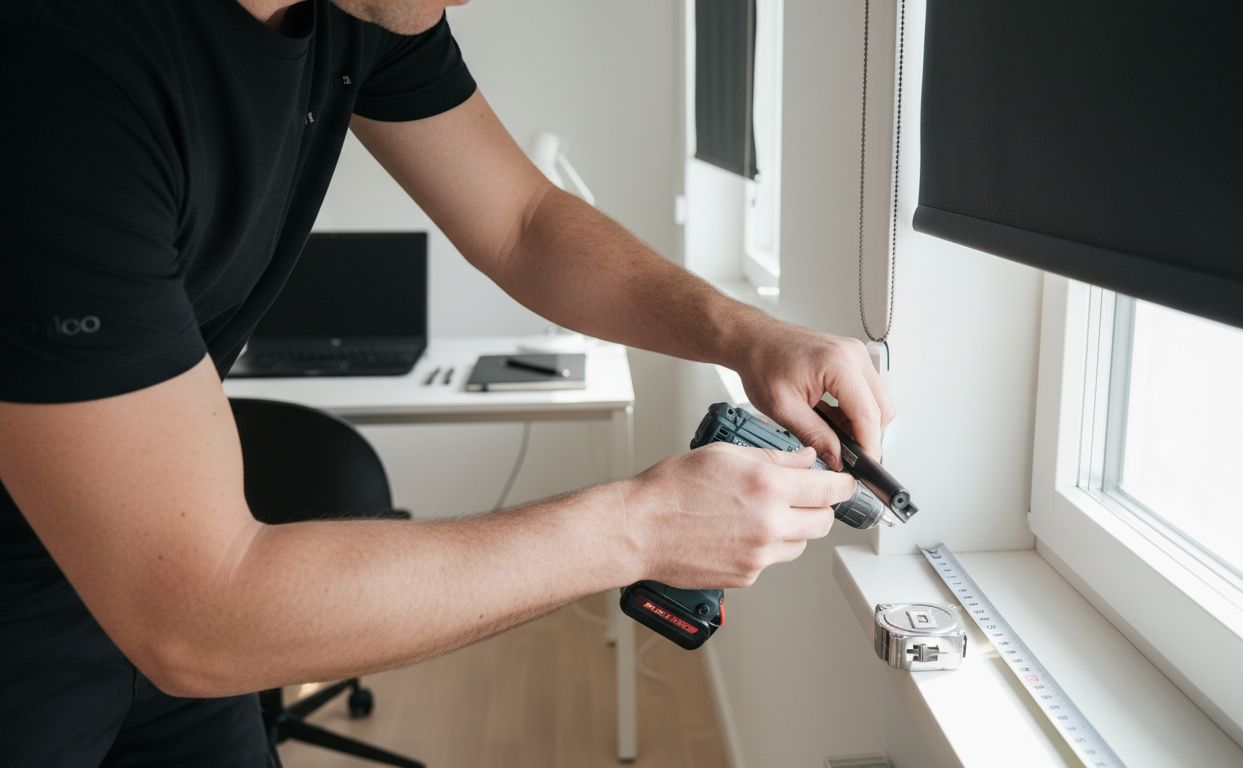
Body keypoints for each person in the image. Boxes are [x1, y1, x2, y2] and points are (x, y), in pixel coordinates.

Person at [0, 0, 895, 764]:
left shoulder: (363, 11)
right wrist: (640, 528)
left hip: (149, 603)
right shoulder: (57, 75)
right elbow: (198, 615)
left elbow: (522, 221)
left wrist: (745, 334)